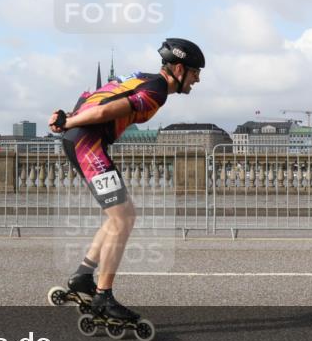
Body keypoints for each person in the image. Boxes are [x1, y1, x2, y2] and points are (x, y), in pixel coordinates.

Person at [48, 38, 205, 323]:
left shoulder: (142, 77)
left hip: (83, 141)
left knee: (120, 215)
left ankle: (84, 275)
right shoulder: (157, 90)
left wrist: (67, 116)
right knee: (123, 219)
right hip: (87, 144)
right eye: (195, 73)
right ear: (180, 69)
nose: (197, 80)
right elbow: (105, 111)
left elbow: (94, 96)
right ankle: (103, 296)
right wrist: (68, 122)